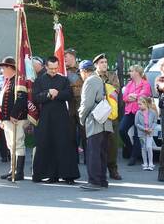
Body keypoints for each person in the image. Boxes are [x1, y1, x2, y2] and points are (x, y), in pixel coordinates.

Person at [32, 56, 79, 184]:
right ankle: (50, 175)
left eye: (55, 68)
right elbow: (36, 97)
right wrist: (48, 94)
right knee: (47, 145)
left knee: (64, 145)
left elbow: (69, 95)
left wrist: (57, 93)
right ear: (46, 67)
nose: (53, 71)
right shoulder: (39, 81)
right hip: (46, 117)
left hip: (62, 117)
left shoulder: (63, 80)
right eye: (51, 68)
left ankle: (68, 175)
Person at [78, 60, 113, 191]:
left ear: (84, 71)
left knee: (93, 152)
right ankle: (102, 180)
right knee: (102, 153)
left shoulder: (90, 81)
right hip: (105, 121)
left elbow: (86, 104)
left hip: (95, 122)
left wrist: (81, 118)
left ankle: (94, 181)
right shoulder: (100, 79)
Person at [0, 57, 28, 181]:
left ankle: (19, 172)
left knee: (17, 144)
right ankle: (12, 170)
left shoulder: (18, 81)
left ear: (10, 68)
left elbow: (21, 99)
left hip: (16, 119)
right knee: (11, 145)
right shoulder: (8, 80)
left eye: (4, 68)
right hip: (7, 119)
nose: (2, 71)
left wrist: (14, 115)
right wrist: (2, 119)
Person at [93, 53, 122, 180]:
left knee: (112, 144)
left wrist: (102, 87)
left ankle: (113, 169)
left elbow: (115, 90)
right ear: (96, 65)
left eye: (105, 62)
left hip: (111, 114)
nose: (104, 64)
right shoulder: (92, 77)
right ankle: (99, 171)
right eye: (101, 62)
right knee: (98, 143)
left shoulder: (112, 75)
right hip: (97, 115)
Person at [119, 65, 152, 166]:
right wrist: (130, 97)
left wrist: (134, 96)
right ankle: (131, 149)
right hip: (129, 111)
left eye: (131, 71)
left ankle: (133, 157)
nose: (129, 73)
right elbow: (124, 97)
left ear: (137, 72)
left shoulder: (145, 84)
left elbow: (144, 96)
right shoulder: (129, 84)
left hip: (140, 112)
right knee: (122, 130)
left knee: (138, 135)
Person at [64, 48, 86, 164]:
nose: (64, 59)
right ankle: (74, 158)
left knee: (84, 132)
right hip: (69, 103)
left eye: (66, 56)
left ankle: (88, 157)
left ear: (72, 56)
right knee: (71, 133)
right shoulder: (63, 71)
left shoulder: (82, 69)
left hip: (81, 102)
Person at [135, 96, 157, 171]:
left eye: (140, 104)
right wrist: (144, 129)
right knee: (143, 148)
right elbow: (136, 123)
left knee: (149, 147)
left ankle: (151, 163)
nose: (139, 106)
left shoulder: (152, 112)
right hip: (142, 133)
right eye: (138, 104)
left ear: (146, 104)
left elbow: (155, 121)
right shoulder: (138, 113)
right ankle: (145, 163)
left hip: (150, 133)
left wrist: (151, 128)